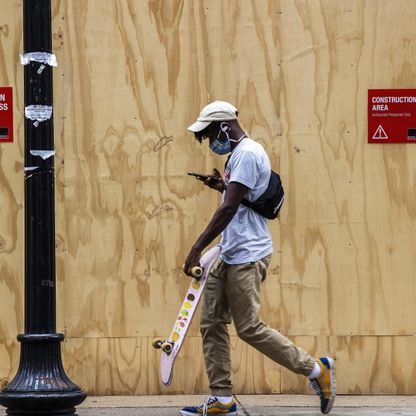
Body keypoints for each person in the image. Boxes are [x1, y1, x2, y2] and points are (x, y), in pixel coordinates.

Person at [181, 101, 336, 416]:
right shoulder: (237, 156)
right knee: (211, 323)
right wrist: (220, 186)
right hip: (231, 251)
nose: (210, 142)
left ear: (225, 125)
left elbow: (228, 209)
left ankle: (317, 369)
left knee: (249, 327)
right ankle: (223, 399)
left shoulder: (248, 154)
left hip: (248, 255)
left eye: (210, 133)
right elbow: (240, 199)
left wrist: (196, 247)